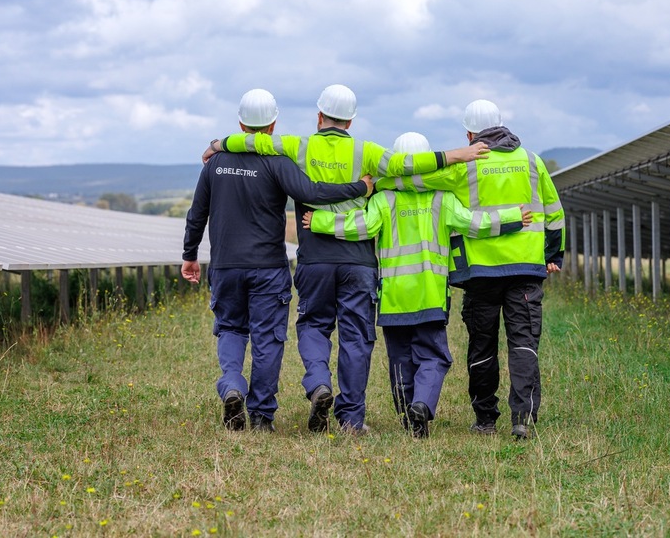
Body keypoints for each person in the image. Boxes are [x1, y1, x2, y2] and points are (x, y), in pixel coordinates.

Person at [202, 85, 490, 435]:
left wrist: (219, 144)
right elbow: (406, 165)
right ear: (351, 120)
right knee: (355, 339)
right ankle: (351, 419)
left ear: (319, 115)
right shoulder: (366, 151)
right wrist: (458, 154)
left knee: (312, 326)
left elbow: (256, 143)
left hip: (315, 258)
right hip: (358, 261)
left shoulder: (298, 146)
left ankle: (319, 382)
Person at [302, 132, 532, 438]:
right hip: (431, 295)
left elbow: (363, 226)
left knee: (399, 359)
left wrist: (319, 221)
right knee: (434, 356)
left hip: (395, 298)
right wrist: (513, 217)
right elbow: (474, 223)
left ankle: (407, 415)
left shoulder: (383, 198)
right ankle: (422, 405)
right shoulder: (443, 198)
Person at [182, 88, 373, 433]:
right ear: (272, 126)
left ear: (241, 122)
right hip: (269, 268)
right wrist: (359, 187)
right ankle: (261, 417)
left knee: (230, 328)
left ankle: (232, 385)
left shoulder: (215, 165)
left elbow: (197, 214)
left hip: (225, 266)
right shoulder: (279, 162)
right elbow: (313, 193)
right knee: (268, 339)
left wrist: (189, 255)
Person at [375, 100, 565, 439]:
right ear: (503, 126)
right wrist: (554, 255)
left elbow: (414, 180)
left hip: (481, 274)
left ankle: (485, 420)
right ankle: (522, 418)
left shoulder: (465, 167)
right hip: (526, 269)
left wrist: (376, 183)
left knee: (483, 346)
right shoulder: (533, 162)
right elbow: (554, 213)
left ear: (469, 133)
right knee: (523, 344)